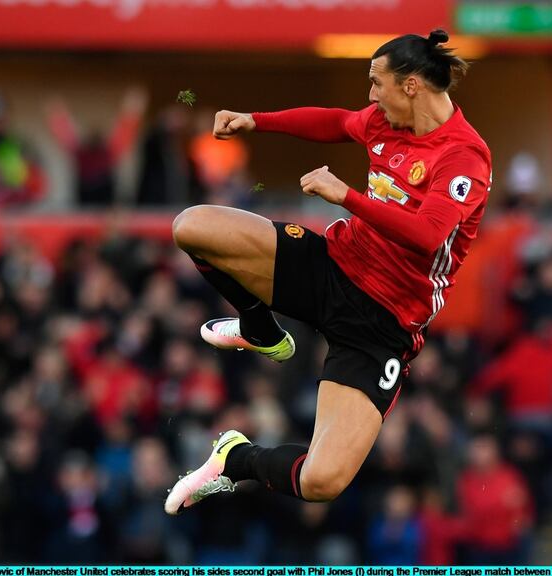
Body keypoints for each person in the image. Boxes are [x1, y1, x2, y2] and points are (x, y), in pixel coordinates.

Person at [165, 29, 491, 513]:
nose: (370, 95)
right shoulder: (385, 121)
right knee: (191, 227)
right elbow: (336, 122)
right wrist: (255, 120)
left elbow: (427, 236)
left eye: (376, 82)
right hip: (334, 265)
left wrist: (346, 196)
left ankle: (234, 461)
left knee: (322, 481)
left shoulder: (463, 156)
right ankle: (259, 327)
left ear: (411, 86)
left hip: (383, 322)